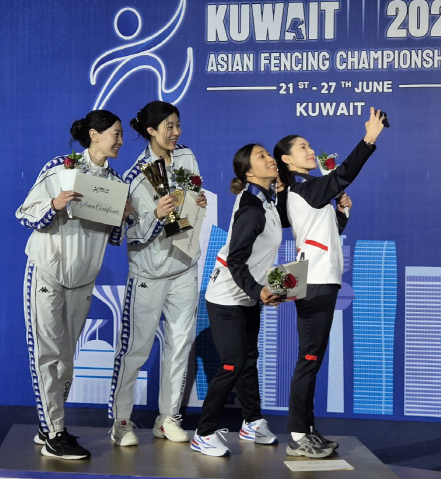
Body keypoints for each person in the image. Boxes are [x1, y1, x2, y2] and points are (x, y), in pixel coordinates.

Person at [273, 107, 387, 458]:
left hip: (321, 278)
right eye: (303, 148)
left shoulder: (308, 189)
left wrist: (340, 214)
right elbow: (343, 175)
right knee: (309, 359)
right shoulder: (303, 189)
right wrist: (369, 138)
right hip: (315, 281)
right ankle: (296, 434)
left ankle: (306, 429)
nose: (311, 152)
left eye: (310, 146)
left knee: (313, 358)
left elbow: (325, 233)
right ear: (287, 160)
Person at [17, 110, 130, 459]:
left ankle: (48, 423)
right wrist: (55, 204)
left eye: (121, 134)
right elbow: (25, 213)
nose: (121, 140)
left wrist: (122, 217)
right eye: (115, 133)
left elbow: (113, 238)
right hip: (48, 270)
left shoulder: (115, 181)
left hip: (83, 277)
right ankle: (55, 433)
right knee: (49, 355)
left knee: (65, 358)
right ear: (94, 135)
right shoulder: (60, 167)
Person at [108, 101, 207, 446]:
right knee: (135, 349)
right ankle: (121, 421)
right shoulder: (134, 177)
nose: (176, 133)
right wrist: (155, 215)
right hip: (149, 273)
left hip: (184, 265)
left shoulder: (187, 158)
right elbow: (126, 235)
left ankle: (168, 417)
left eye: (178, 125)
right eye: (169, 126)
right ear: (151, 130)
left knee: (181, 345)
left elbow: (194, 196)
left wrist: (197, 203)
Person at [190, 144, 286, 457]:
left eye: (268, 154)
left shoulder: (265, 199)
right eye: (262, 157)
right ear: (248, 173)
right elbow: (235, 259)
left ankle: (252, 421)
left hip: (246, 294)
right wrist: (258, 291)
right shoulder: (251, 209)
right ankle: (203, 433)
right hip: (226, 298)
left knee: (249, 361)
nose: (270, 158)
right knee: (232, 365)